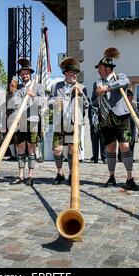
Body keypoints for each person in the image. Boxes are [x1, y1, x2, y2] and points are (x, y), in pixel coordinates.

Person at [95, 48, 138, 191]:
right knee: (110, 147)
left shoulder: (120, 76)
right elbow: (96, 99)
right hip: (106, 119)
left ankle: (130, 177)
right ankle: (112, 175)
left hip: (121, 117)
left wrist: (107, 88)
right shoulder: (98, 82)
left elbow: (125, 82)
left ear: (107, 68)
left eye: (100, 68)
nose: (98, 70)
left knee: (125, 146)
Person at [50, 57, 89, 185]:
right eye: (72, 72)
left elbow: (88, 105)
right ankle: (60, 173)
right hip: (59, 122)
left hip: (74, 123)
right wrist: (55, 102)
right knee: (57, 149)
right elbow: (49, 102)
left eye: (76, 73)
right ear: (66, 73)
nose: (74, 75)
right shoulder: (56, 86)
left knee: (72, 149)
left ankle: (72, 174)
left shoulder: (82, 87)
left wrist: (80, 94)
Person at [7, 58, 45, 186]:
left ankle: (30, 175)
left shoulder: (38, 86)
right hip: (19, 122)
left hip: (32, 121)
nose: (25, 75)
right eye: (22, 74)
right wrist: (11, 93)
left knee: (31, 149)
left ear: (30, 74)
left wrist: (33, 95)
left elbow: (43, 102)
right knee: (20, 149)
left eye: (27, 73)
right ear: (20, 75)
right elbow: (10, 104)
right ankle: (20, 175)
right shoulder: (16, 88)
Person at [118, 89, 139, 162]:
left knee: (131, 143)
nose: (131, 98)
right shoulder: (121, 104)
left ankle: (130, 157)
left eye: (132, 96)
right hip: (124, 127)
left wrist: (134, 112)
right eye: (129, 96)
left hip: (132, 127)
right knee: (124, 142)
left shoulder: (133, 105)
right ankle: (120, 157)